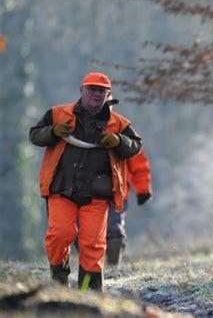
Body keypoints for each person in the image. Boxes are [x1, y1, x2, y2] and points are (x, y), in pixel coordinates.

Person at [29, 72, 142, 291]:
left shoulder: (119, 124)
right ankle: (59, 280)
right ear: (81, 90)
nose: (96, 95)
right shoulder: (57, 114)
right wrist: (52, 131)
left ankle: (89, 293)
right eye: (92, 89)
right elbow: (34, 135)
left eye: (101, 91)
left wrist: (119, 140)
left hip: (97, 193)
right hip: (62, 189)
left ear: (108, 95)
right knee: (59, 235)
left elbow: (136, 146)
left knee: (93, 244)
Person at [105, 98, 153, 266]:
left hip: (117, 193)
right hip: (85, 192)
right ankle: (91, 266)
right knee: (83, 233)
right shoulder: (79, 126)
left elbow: (138, 164)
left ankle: (112, 266)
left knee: (114, 230)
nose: (106, 108)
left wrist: (143, 189)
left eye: (109, 105)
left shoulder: (123, 128)